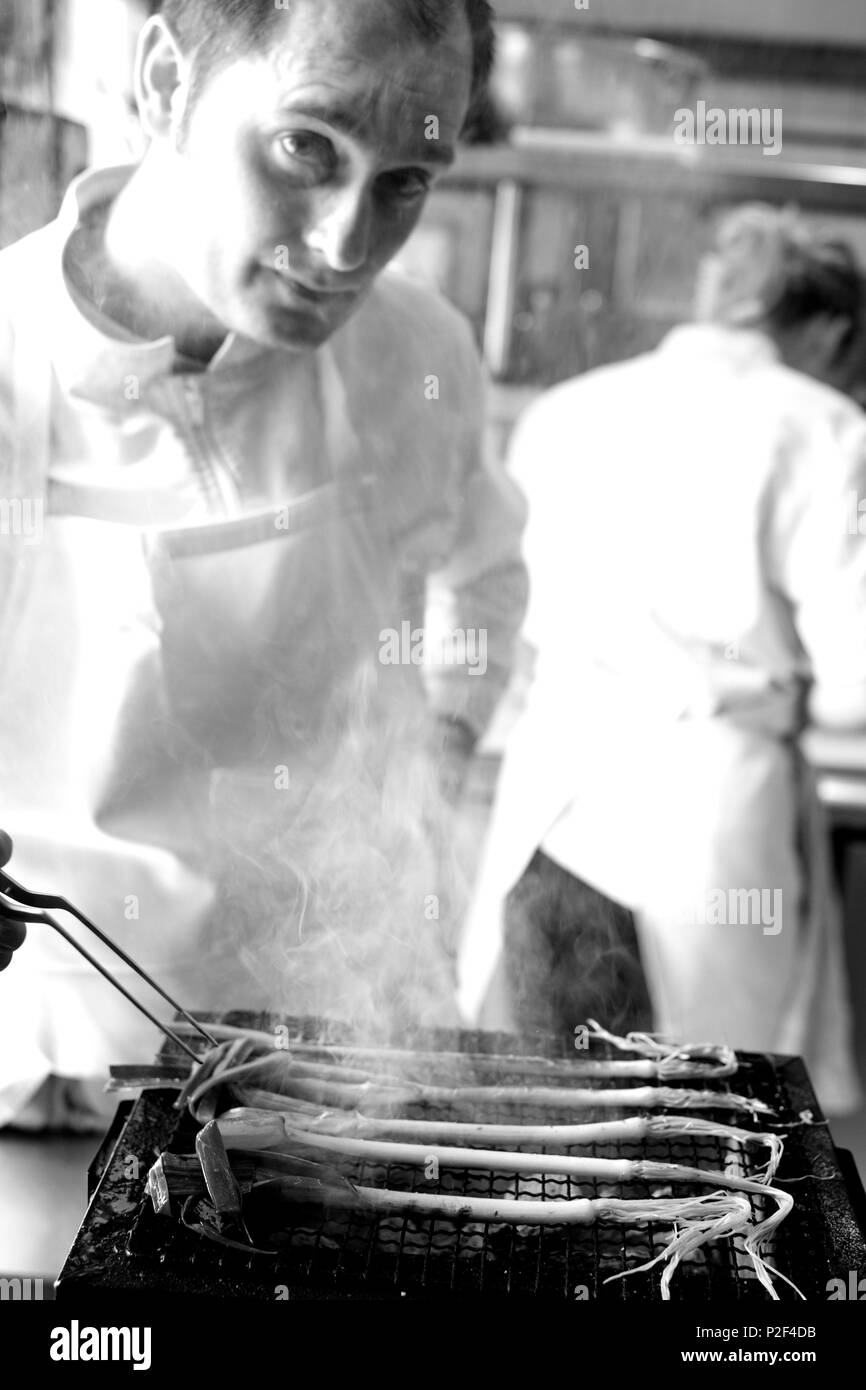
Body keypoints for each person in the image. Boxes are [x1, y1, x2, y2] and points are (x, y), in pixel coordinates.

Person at [0, 0, 528, 1127]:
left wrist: (431, 750)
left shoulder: (414, 353)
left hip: (349, 1049)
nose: (345, 247)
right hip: (65, 1063)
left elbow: (479, 571)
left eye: (406, 180)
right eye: (307, 146)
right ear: (161, 78)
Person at [458, 206, 866, 1114]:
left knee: (543, 1109)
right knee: (712, 1119)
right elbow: (858, 687)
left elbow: (513, 608)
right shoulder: (826, 425)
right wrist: (791, 701)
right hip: (710, 814)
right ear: (833, 329)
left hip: (552, 799)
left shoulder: (567, 410)